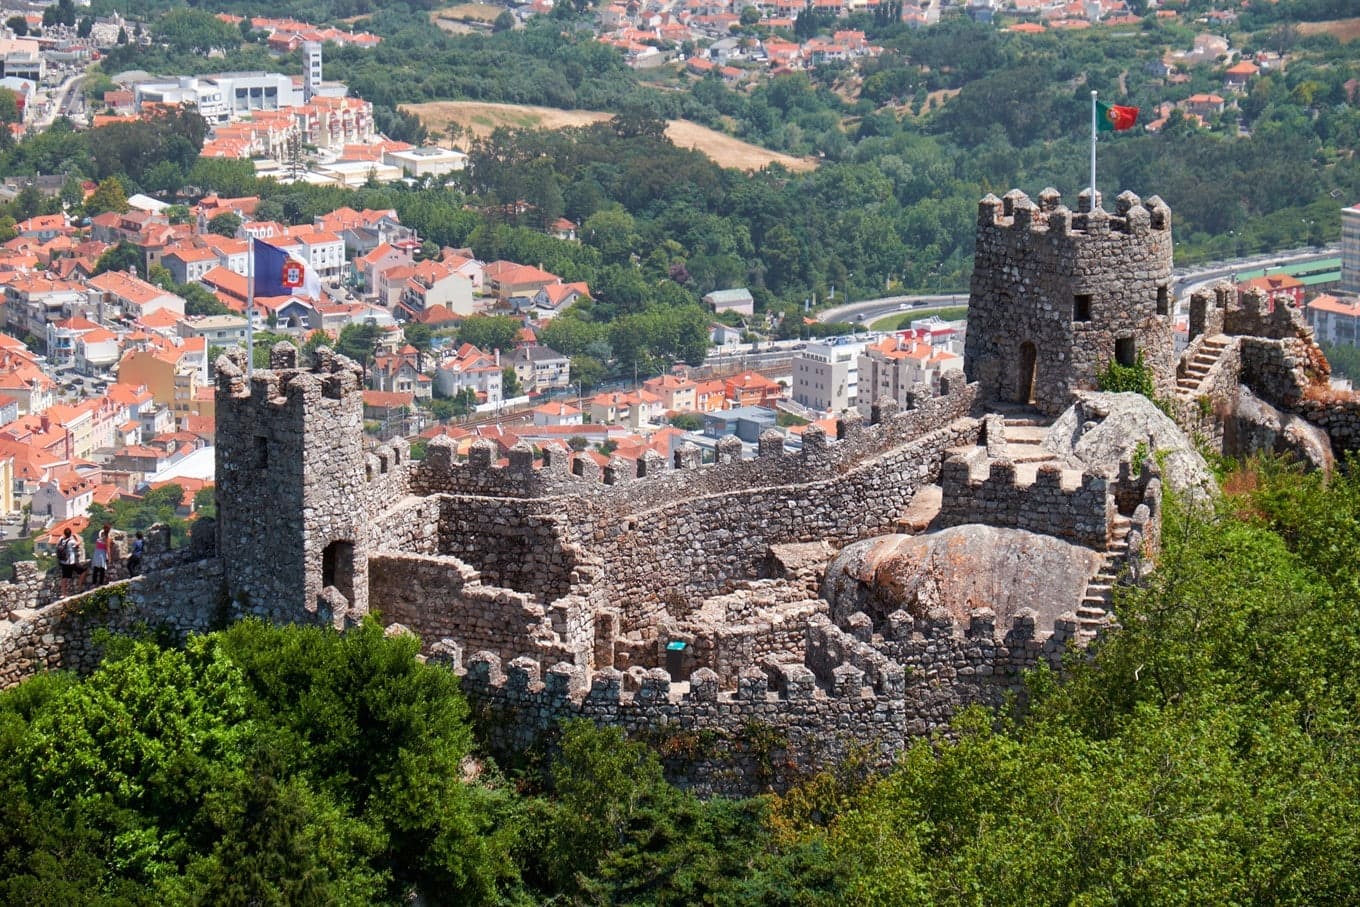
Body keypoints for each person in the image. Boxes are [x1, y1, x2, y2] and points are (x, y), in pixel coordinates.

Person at [55, 527, 81, 597]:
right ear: (70, 534)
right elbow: (79, 543)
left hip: (63, 562)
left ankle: (63, 593)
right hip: (70, 562)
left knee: (64, 578)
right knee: (79, 572)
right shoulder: (71, 541)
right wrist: (76, 536)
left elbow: (57, 545)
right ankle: (76, 589)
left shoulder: (61, 539)